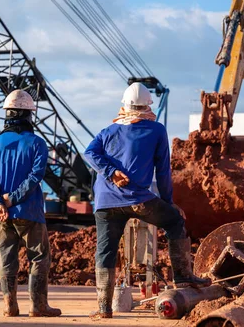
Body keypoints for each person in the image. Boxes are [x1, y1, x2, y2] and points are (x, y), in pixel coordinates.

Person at [84, 82, 211, 320]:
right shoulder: (156, 130)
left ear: (124, 105)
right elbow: (163, 171)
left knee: (105, 251)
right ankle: (183, 278)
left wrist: (110, 172)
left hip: (105, 202)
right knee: (174, 222)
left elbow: (89, 153)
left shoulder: (108, 131)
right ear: (147, 106)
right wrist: (169, 202)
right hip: (137, 199)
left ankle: (104, 308)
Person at [0, 89, 61, 318]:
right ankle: (38, 306)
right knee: (39, 257)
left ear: (7, 114)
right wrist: (13, 199)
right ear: (29, 115)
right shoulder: (37, 144)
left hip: (1, 215)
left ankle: (9, 306)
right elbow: (35, 177)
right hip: (29, 212)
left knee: (6, 258)